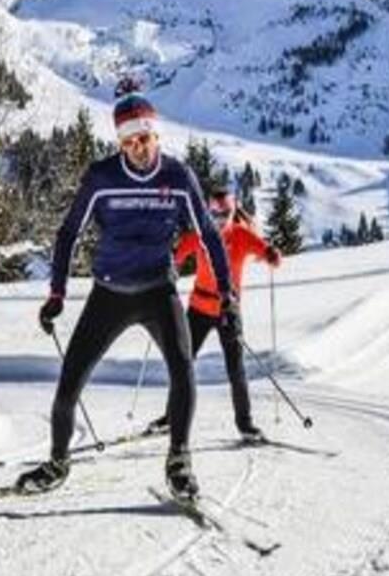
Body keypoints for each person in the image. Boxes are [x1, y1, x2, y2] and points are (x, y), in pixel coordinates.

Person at [18, 81, 234, 500]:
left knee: (183, 370)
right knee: (69, 381)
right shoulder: (102, 178)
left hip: (158, 291)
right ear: (120, 143)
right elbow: (68, 234)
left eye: (145, 139)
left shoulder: (178, 176)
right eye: (129, 141)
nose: (139, 148)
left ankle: (179, 461)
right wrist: (57, 294)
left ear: (157, 136)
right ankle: (58, 462)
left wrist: (226, 292)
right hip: (109, 293)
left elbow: (208, 234)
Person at [150, 188, 281, 443]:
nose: (219, 220)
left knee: (235, 368)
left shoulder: (241, 234)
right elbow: (177, 254)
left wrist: (272, 255)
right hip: (198, 308)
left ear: (233, 212)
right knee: (182, 364)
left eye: (224, 214)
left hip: (227, 309)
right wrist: (166, 263)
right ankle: (171, 418)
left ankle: (245, 425)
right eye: (214, 214)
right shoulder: (201, 233)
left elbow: (265, 251)